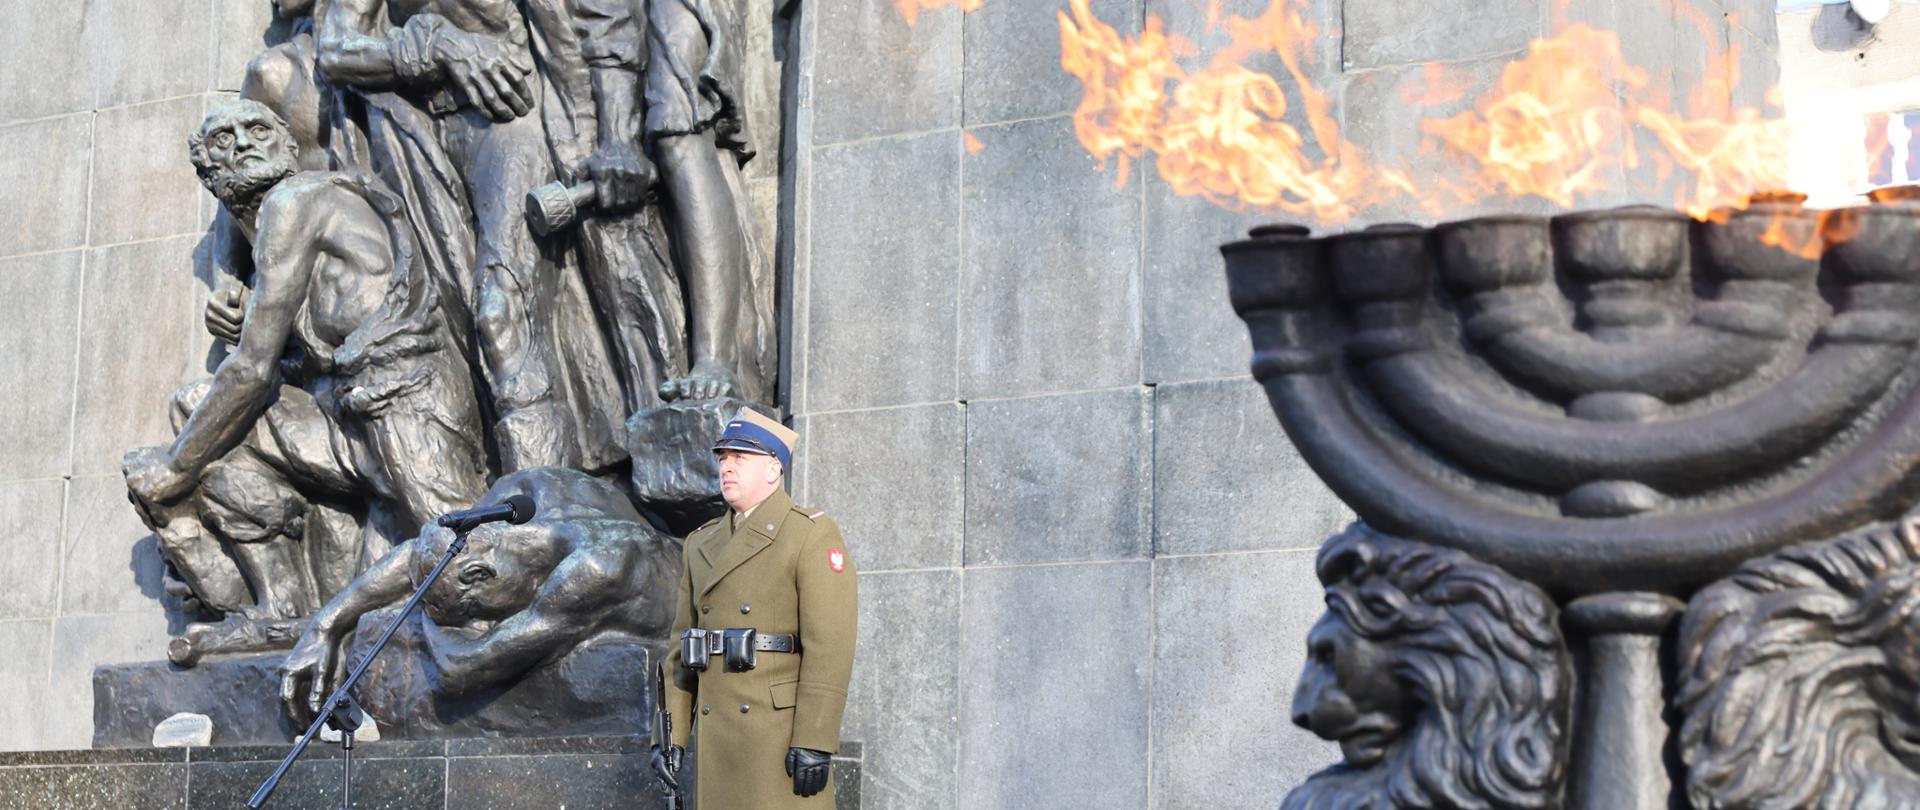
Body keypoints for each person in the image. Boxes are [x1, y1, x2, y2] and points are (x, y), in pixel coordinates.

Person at [123, 100, 490, 624]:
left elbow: (251, 372)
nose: (244, 144)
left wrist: (174, 471)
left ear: (290, 149)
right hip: (350, 424)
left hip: (407, 410)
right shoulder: (278, 232)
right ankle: (279, 613)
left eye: (257, 131)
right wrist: (256, 323)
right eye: (225, 141)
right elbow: (310, 356)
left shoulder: (297, 197)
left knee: (467, 562)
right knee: (198, 409)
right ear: (211, 176)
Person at [653, 409, 858, 807]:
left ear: (773, 469)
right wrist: (670, 736)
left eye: (740, 458)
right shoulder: (701, 543)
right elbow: (682, 648)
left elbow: (830, 645)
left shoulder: (809, 534)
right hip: (718, 738)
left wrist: (815, 738)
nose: (727, 467)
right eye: (722, 458)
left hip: (777, 736)